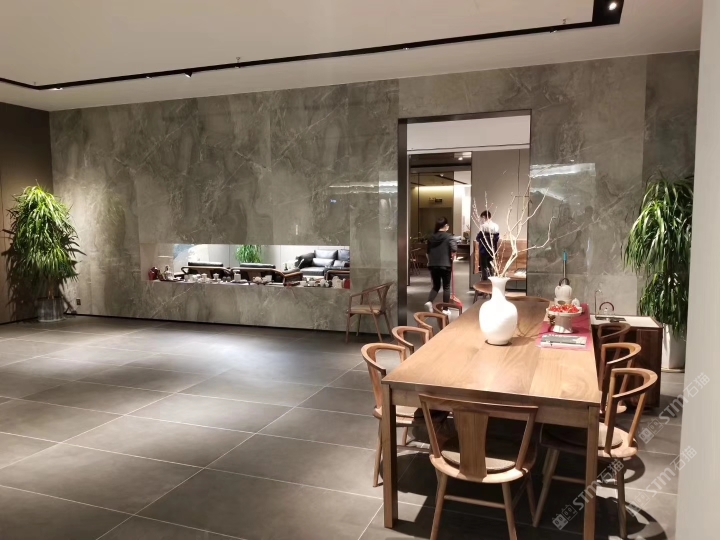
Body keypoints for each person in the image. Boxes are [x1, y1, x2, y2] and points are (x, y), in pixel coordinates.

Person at [425, 217, 457, 309]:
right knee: (446, 287)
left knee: (436, 286)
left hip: (433, 265)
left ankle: (429, 302)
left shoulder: (431, 237)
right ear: (445, 226)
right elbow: (454, 248)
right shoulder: (449, 236)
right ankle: (445, 309)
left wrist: (429, 262)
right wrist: (453, 253)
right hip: (445, 265)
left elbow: (427, 252)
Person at [476, 210, 500, 280]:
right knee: (491, 266)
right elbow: (497, 239)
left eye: (482, 218)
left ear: (484, 217)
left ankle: (485, 282)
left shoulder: (483, 226)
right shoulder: (496, 226)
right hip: (493, 249)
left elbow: (478, 238)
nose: (482, 220)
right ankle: (492, 281)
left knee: (484, 267)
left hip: (483, 249)